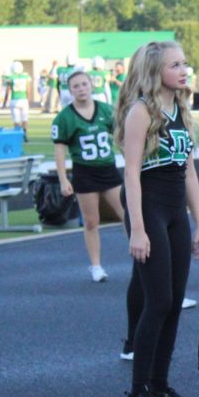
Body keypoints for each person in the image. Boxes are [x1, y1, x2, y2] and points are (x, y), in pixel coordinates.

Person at [114, 41, 199, 397]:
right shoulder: (141, 112)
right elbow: (131, 173)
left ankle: (160, 386)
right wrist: (137, 229)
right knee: (158, 302)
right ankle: (137, 395)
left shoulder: (181, 110)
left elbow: (189, 172)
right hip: (148, 209)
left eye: (185, 63)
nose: (184, 70)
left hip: (173, 212)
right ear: (155, 72)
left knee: (173, 303)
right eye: (175, 65)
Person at [52, 70, 124, 283]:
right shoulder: (64, 117)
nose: (81, 89)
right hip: (84, 172)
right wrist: (63, 179)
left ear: (92, 85)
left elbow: (121, 137)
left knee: (128, 216)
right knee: (92, 221)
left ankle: (141, 260)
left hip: (108, 169)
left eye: (84, 84)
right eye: (76, 86)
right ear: (69, 90)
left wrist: (131, 161)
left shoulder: (105, 110)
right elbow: (59, 150)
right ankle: (96, 265)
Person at [1, 61, 31, 142]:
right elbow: (28, 89)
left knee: (16, 120)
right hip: (23, 99)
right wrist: (28, 99)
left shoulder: (10, 77)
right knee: (24, 119)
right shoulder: (25, 76)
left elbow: (8, 91)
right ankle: (24, 133)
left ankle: (18, 136)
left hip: (14, 99)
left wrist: (4, 102)